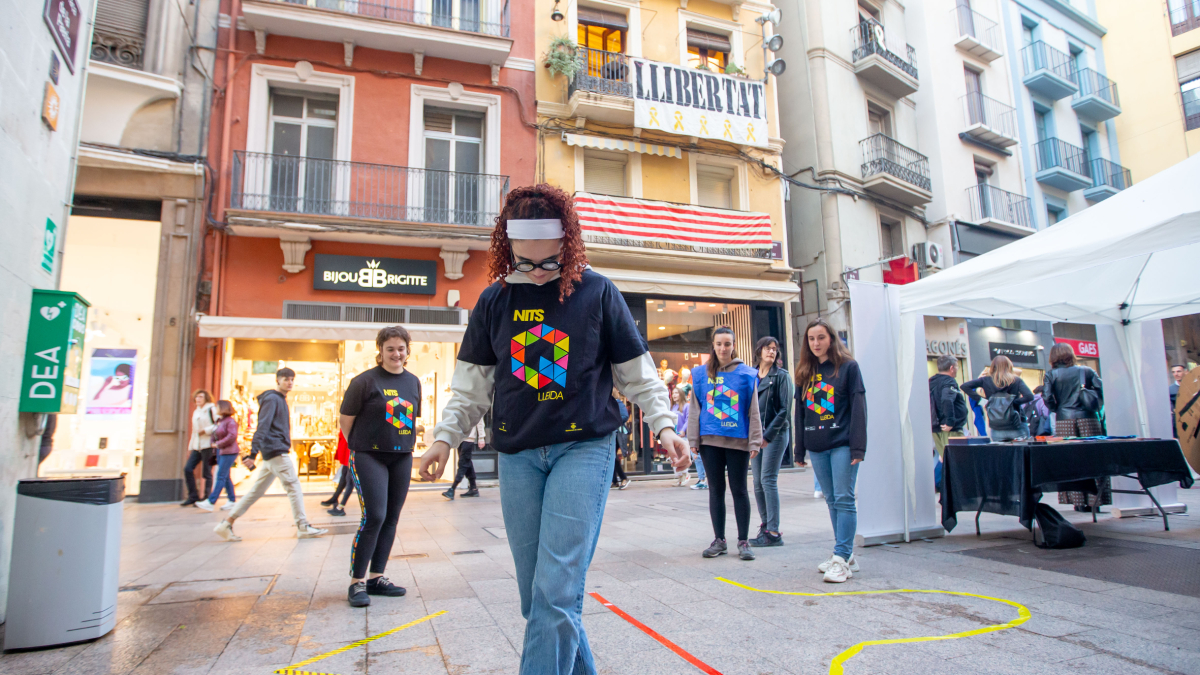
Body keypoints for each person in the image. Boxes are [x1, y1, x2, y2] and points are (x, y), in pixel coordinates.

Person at [416, 184, 688, 675]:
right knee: (538, 598)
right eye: (526, 263)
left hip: (583, 448)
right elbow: (471, 388)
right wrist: (444, 438)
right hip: (518, 455)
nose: (539, 273)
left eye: (550, 262)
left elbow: (637, 375)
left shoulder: (598, 292)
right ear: (508, 248)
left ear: (568, 244)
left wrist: (665, 427)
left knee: (556, 593)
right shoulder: (494, 301)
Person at [340, 326, 421, 607]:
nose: (396, 354)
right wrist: (359, 446)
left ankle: (376, 578)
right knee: (374, 516)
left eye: (401, 349)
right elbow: (346, 420)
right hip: (369, 455)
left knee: (391, 518)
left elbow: (411, 419)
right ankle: (357, 582)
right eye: (390, 349)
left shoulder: (413, 382)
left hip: (402, 455)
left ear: (407, 350)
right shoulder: (364, 381)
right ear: (380, 351)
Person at [213, 368, 327, 542]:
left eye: (292, 379)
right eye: (286, 379)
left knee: (255, 492)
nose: (289, 382)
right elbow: (263, 426)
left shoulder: (279, 399)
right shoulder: (272, 399)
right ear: (278, 380)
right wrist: (252, 453)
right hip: (276, 451)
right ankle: (303, 526)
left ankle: (226, 523)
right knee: (294, 487)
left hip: (273, 452)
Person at [795, 318, 867, 584]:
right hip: (817, 446)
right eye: (811, 339)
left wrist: (858, 446)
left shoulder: (848, 367)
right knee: (832, 500)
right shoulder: (805, 371)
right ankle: (844, 554)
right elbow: (800, 413)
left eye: (821, 337)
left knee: (844, 498)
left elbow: (859, 408)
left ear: (831, 339)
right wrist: (799, 449)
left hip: (842, 444)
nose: (816, 343)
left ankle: (841, 557)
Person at [688, 327, 763, 562]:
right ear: (713, 345)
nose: (723, 348)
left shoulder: (746, 374)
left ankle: (743, 541)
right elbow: (694, 409)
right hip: (709, 441)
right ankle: (719, 540)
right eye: (719, 343)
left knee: (739, 490)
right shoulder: (700, 374)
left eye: (727, 344)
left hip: (738, 440)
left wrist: (755, 440)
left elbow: (753, 410)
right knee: (716, 490)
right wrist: (693, 439)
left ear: (733, 345)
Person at [1044, 343, 1107, 511]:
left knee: (1069, 460)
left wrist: (1057, 409)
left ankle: (1077, 501)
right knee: (1093, 458)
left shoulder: (1051, 374)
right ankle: (1096, 500)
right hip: (1088, 418)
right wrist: (1093, 403)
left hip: (1064, 420)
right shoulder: (1086, 371)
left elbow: (1047, 397)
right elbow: (1102, 389)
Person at [750, 336, 792, 548]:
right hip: (755, 435)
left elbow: (785, 410)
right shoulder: (751, 376)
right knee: (757, 482)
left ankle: (774, 531)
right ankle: (766, 526)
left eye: (774, 349)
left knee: (768, 479)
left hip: (774, 434)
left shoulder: (782, 376)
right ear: (759, 351)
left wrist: (767, 436)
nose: (771, 352)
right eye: (767, 348)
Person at [961, 356, 1032, 441]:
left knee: (999, 449)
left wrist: (983, 401)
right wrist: (1012, 403)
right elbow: (1029, 396)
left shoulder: (985, 380)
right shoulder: (1016, 380)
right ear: (1009, 366)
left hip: (996, 426)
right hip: (1017, 424)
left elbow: (964, 386)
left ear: (993, 367)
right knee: (1022, 449)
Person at [196, 400, 240, 512]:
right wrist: (213, 443)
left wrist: (218, 444)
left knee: (221, 476)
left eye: (217, 407)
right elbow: (215, 433)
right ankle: (231, 500)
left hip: (229, 452)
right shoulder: (220, 421)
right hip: (221, 451)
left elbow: (232, 435)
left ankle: (211, 501)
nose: (215, 409)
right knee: (225, 476)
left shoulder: (230, 421)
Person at [182, 390, 217, 506]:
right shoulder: (196, 411)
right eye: (196, 397)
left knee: (207, 472)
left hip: (208, 445)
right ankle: (193, 496)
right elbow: (194, 432)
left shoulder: (211, 409)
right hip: (197, 446)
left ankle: (207, 498)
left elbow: (218, 425)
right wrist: (191, 446)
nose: (198, 399)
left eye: (201, 397)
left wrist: (205, 430)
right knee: (188, 469)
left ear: (206, 398)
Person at [929, 355, 968, 459]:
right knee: (959, 460)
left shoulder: (931, 381)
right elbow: (947, 399)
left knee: (947, 460)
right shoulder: (949, 381)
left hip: (936, 428)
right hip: (950, 430)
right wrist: (950, 422)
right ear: (951, 368)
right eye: (957, 366)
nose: (957, 369)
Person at [445, 418, 484, 500]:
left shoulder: (474, 409)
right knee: (467, 463)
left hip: (469, 439)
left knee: (463, 463)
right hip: (459, 439)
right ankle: (473, 488)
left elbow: (479, 421)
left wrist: (481, 437)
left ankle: (452, 488)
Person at [322, 431, 355, 516]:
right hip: (350, 449)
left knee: (350, 479)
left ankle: (340, 507)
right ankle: (335, 498)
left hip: (353, 450)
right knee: (345, 476)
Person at [670, 386, 693, 487]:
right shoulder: (672, 407)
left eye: (676, 393)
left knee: (682, 455)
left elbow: (688, 419)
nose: (674, 395)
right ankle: (679, 477)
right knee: (674, 457)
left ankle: (685, 475)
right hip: (673, 435)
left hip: (682, 436)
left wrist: (683, 430)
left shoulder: (687, 406)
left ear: (681, 394)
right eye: (673, 393)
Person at [612, 393, 631, 490]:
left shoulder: (618, 403)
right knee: (612, 457)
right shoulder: (608, 403)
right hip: (611, 433)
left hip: (617, 433)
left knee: (613, 457)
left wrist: (611, 421)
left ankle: (623, 478)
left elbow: (624, 416)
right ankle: (614, 480)